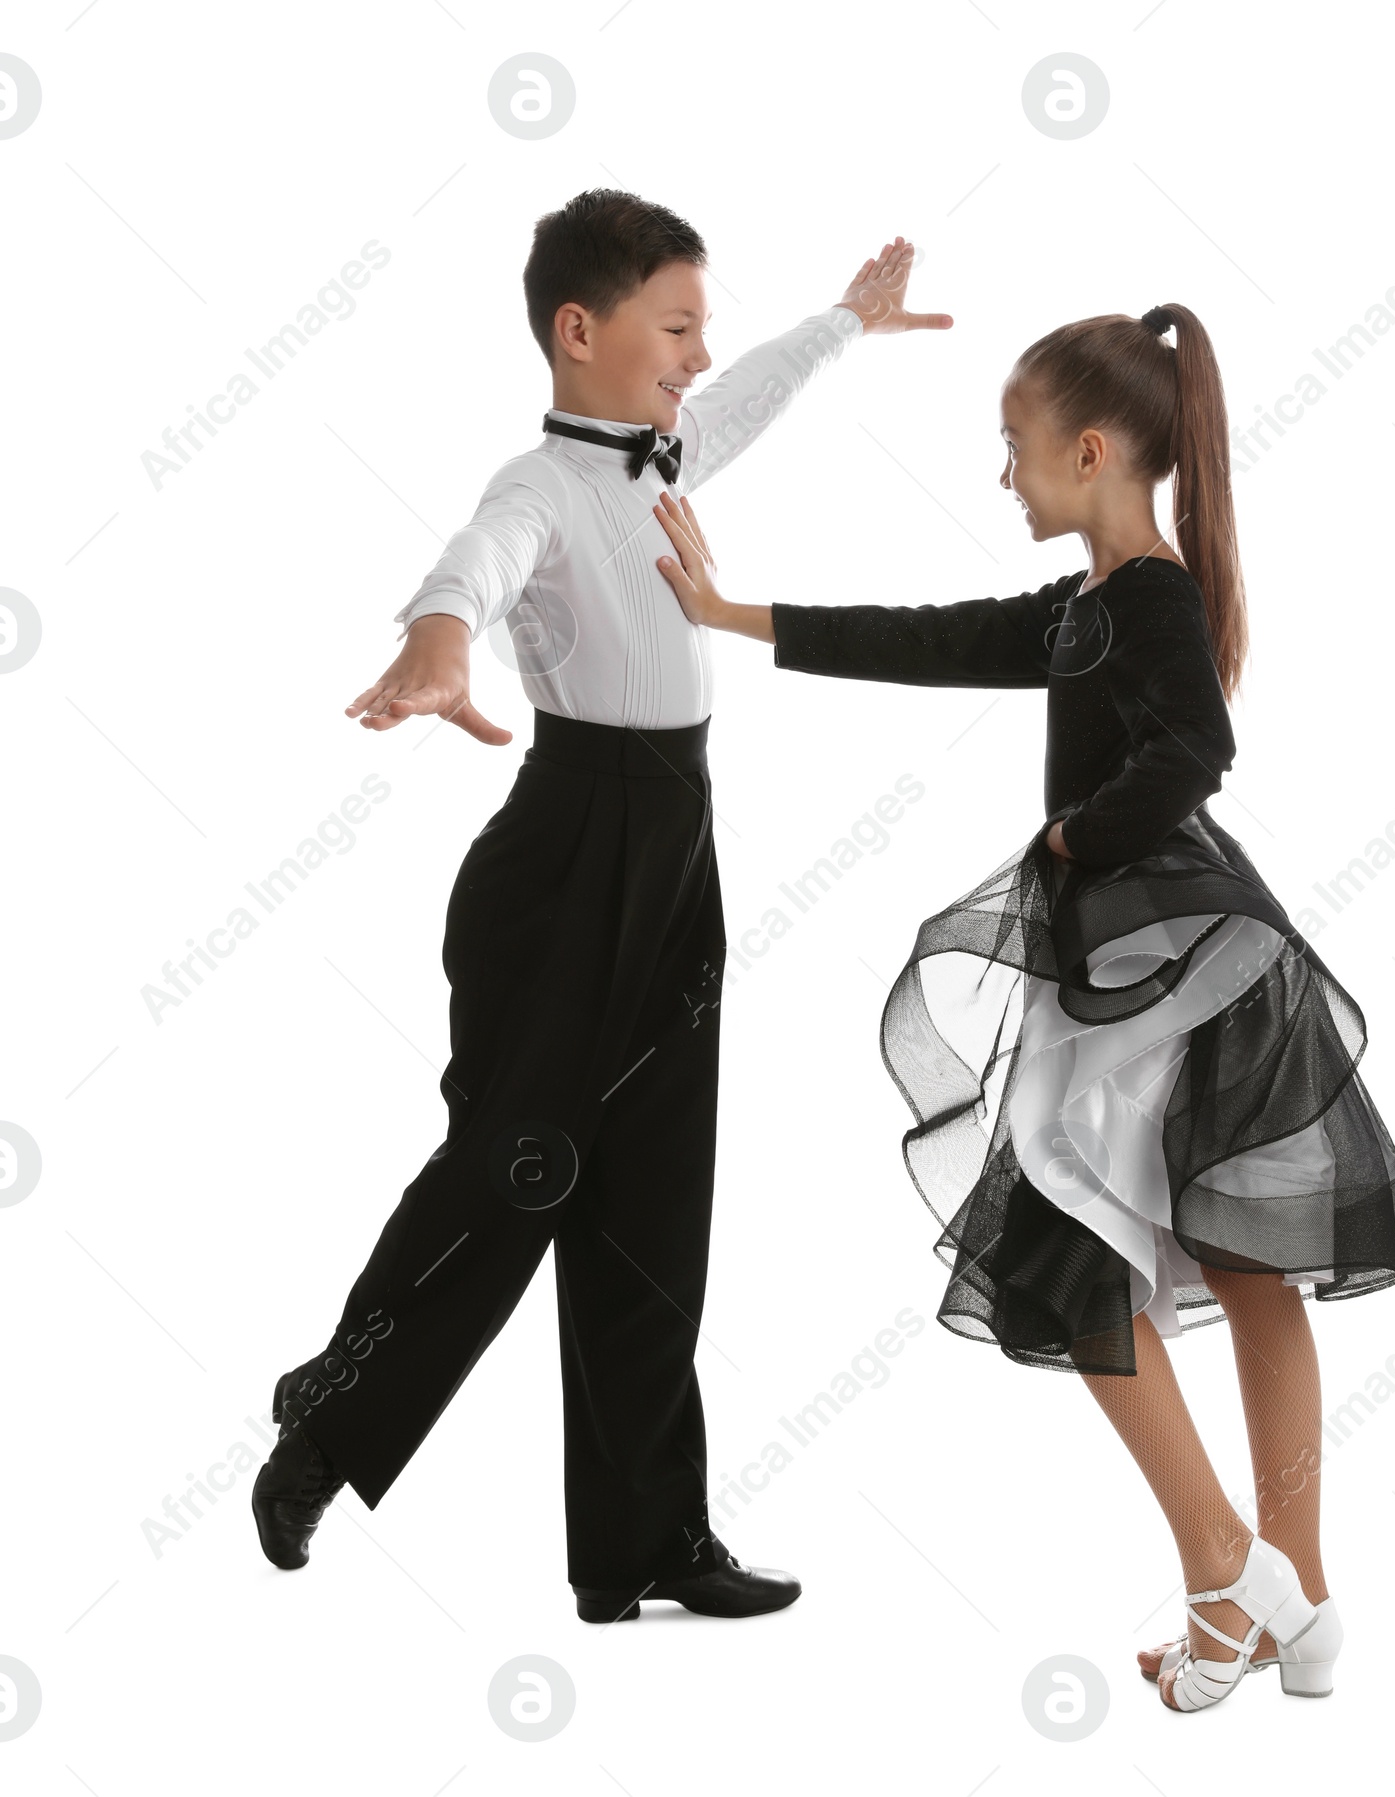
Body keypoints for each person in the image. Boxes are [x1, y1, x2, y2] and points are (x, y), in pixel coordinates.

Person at [649, 300, 1395, 1705]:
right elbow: (933, 638)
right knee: (1235, 1271)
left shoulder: (1148, 598)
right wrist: (732, 614)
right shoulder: (1093, 606)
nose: (1001, 474)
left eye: (1013, 449)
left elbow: (1200, 743)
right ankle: (1291, 1602)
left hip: (1166, 960)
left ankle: (1232, 1576)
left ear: (1087, 451)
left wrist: (1080, 840)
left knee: (1077, 1267)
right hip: (1166, 958)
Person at [250, 189, 951, 1624]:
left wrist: (845, 322)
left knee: (650, 1201)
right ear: (581, 332)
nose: (700, 354)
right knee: (520, 1173)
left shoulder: (665, 450)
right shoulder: (539, 487)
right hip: (567, 861)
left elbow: (744, 403)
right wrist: (440, 650)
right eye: (675, 326)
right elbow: (472, 571)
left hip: (677, 845)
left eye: (702, 327)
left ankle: (642, 1541)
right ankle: (330, 1415)